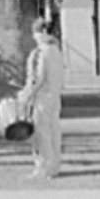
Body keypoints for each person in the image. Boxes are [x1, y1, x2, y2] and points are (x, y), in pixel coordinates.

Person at [17, 18, 64, 179]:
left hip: (42, 96)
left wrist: (28, 94)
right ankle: (54, 164)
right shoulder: (56, 49)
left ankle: (44, 166)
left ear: (43, 32)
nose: (34, 36)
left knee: (41, 132)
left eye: (36, 32)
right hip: (54, 96)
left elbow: (40, 77)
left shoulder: (42, 51)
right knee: (53, 131)